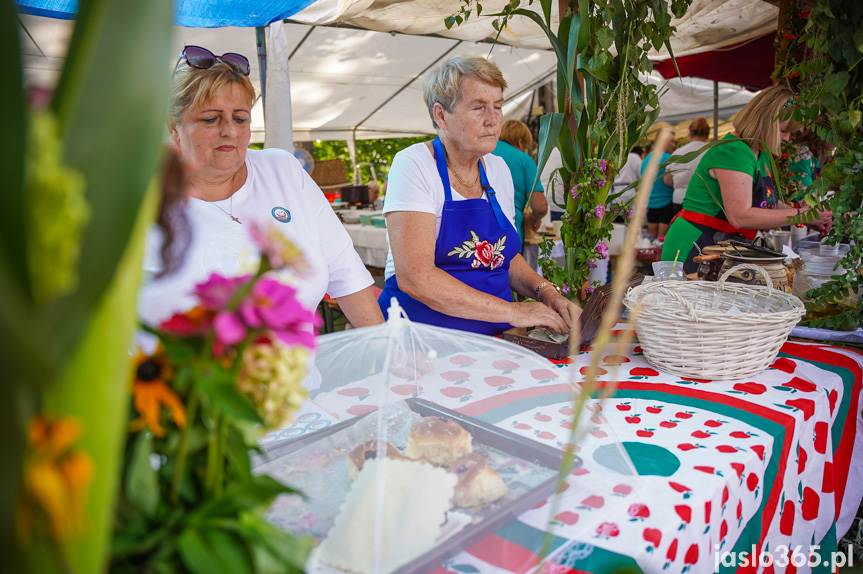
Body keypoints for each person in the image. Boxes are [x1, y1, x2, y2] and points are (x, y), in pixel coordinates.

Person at [138, 45, 384, 385]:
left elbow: (347, 274)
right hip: (186, 416)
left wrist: (391, 354)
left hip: (298, 401)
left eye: (240, 118)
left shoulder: (283, 170)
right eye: (210, 119)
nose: (229, 130)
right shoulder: (139, 200)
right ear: (173, 126)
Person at [378, 56, 580, 336]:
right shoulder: (414, 164)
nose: (493, 119)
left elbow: (505, 258)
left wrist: (547, 293)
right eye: (478, 107)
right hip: (425, 338)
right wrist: (513, 311)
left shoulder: (498, 169)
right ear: (441, 115)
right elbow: (416, 278)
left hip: (497, 335)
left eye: (498, 106)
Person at [662, 85, 833, 274]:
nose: (787, 138)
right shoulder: (734, 150)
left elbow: (769, 203)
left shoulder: (759, 152)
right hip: (695, 245)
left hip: (719, 245)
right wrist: (803, 214)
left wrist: (803, 213)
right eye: (784, 130)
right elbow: (740, 216)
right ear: (766, 123)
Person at [492, 120, 548, 247]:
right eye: (526, 146)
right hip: (509, 228)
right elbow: (540, 206)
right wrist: (535, 218)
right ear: (520, 142)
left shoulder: (484, 153)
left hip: (479, 227)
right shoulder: (524, 160)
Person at [665, 117, 710, 215]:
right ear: (707, 135)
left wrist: (679, 187)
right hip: (704, 200)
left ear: (691, 134)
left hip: (679, 199)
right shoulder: (712, 152)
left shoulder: (677, 152)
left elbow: (667, 179)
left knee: (680, 229)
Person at [641, 138, 676, 238]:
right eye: (672, 141)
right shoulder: (669, 158)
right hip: (666, 202)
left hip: (651, 202)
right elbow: (671, 179)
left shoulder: (647, 158)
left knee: (651, 240)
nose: (673, 145)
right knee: (661, 241)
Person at [609, 145, 644, 209]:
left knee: (614, 217)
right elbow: (641, 177)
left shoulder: (610, 158)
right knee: (628, 215)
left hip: (613, 193)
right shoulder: (635, 157)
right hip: (628, 193)